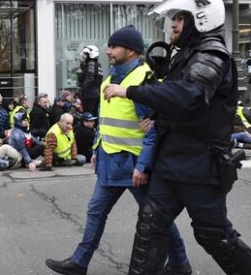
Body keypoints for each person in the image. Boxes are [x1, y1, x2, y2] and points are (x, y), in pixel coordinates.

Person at [102, 0, 251, 274]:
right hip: (170, 162)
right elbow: (175, 103)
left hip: (200, 165)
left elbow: (185, 96)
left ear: (200, 18)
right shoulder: (185, 56)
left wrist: (130, 91)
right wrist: (154, 114)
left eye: (179, 18)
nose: (173, 24)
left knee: (213, 235)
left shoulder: (212, 55)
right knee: (150, 227)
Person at [47, 25, 190, 275]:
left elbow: (152, 130)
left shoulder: (144, 80)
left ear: (131, 52)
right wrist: (96, 148)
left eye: (114, 46)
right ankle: (80, 262)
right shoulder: (111, 77)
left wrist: (143, 166)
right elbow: (106, 118)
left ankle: (180, 263)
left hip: (135, 166)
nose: (108, 50)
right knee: (96, 212)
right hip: (109, 159)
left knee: (156, 219)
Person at [77, 45, 103, 116]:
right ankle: (95, 127)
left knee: (88, 116)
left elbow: (90, 78)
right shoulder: (98, 64)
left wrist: (82, 89)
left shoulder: (91, 63)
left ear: (92, 54)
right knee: (95, 114)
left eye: (86, 54)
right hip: (96, 93)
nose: (85, 56)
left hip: (89, 94)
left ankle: (90, 127)